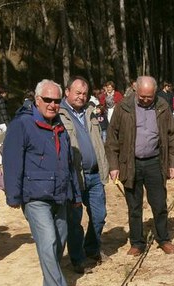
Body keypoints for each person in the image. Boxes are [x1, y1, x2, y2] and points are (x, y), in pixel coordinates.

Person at [3, 79, 83, 286]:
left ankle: (50, 285)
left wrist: (75, 193)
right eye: (47, 100)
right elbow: (12, 160)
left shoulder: (59, 124)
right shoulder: (22, 124)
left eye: (57, 101)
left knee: (60, 237)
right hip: (35, 195)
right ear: (37, 100)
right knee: (47, 240)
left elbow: (69, 163)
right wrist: (14, 195)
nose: (52, 104)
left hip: (60, 194)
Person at [105, 75, 174, 256]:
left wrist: (173, 162)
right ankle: (137, 242)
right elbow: (112, 138)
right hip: (131, 163)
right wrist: (114, 165)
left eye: (149, 97)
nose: (146, 100)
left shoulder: (162, 106)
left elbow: (171, 135)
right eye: (142, 96)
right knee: (134, 206)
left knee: (159, 203)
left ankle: (163, 238)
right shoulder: (123, 106)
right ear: (135, 90)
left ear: (155, 92)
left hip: (155, 161)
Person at [59, 76, 110, 274]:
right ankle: (78, 258)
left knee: (99, 215)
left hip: (95, 175)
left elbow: (100, 141)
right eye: (77, 93)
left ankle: (91, 247)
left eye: (84, 93)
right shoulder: (59, 114)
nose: (81, 97)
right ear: (67, 92)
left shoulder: (90, 112)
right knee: (74, 221)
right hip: (75, 177)